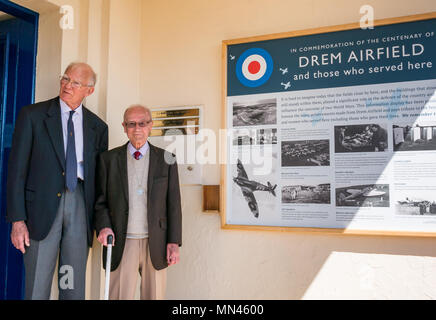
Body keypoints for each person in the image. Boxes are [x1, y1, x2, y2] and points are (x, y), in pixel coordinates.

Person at [6, 62, 108, 300]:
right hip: (41, 208)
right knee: (37, 288)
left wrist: (102, 221)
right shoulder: (33, 115)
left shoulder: (98, 127)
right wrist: (17, 220)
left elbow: (100, 181)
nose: (67, 85)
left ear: (89, 90)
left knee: (71, 284)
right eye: (65, 79)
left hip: (80, 206)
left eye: (75, 83)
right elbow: (16, 171)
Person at [94, 105, 182, 300]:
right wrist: (103, 227)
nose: (137, 128)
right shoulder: (108, 159)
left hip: (156, 241)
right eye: (131, 124)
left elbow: (173, 203)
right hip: (121, 241)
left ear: (150, 125)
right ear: (124, 127)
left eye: (142, 123)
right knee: (119, 296)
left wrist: (173, 241)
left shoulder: (167, 159)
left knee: (155, 296)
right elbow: (100, 201)